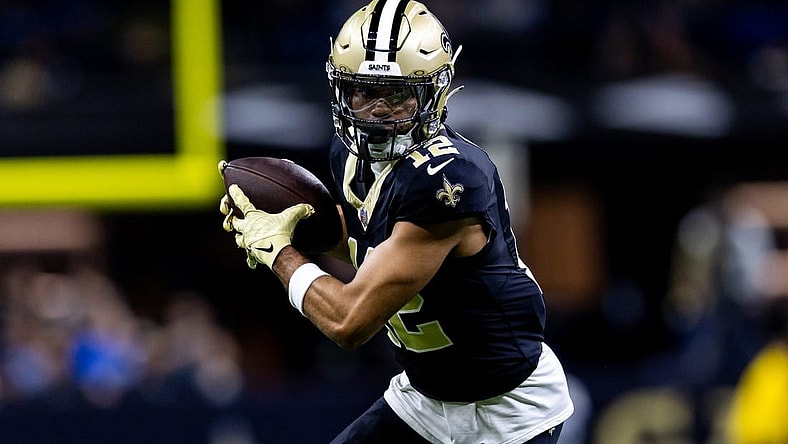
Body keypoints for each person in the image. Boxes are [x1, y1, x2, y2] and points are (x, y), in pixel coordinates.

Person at [219, 1, 574, 442]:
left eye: (398, 93)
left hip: (504, 410)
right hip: (424, 399)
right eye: (364, 91)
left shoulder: (448, 180)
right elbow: (371, 256)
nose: (379, 110)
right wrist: (300, 230)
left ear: (434, 94)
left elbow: (350, 322)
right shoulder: (350, 158)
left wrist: (279, 253)